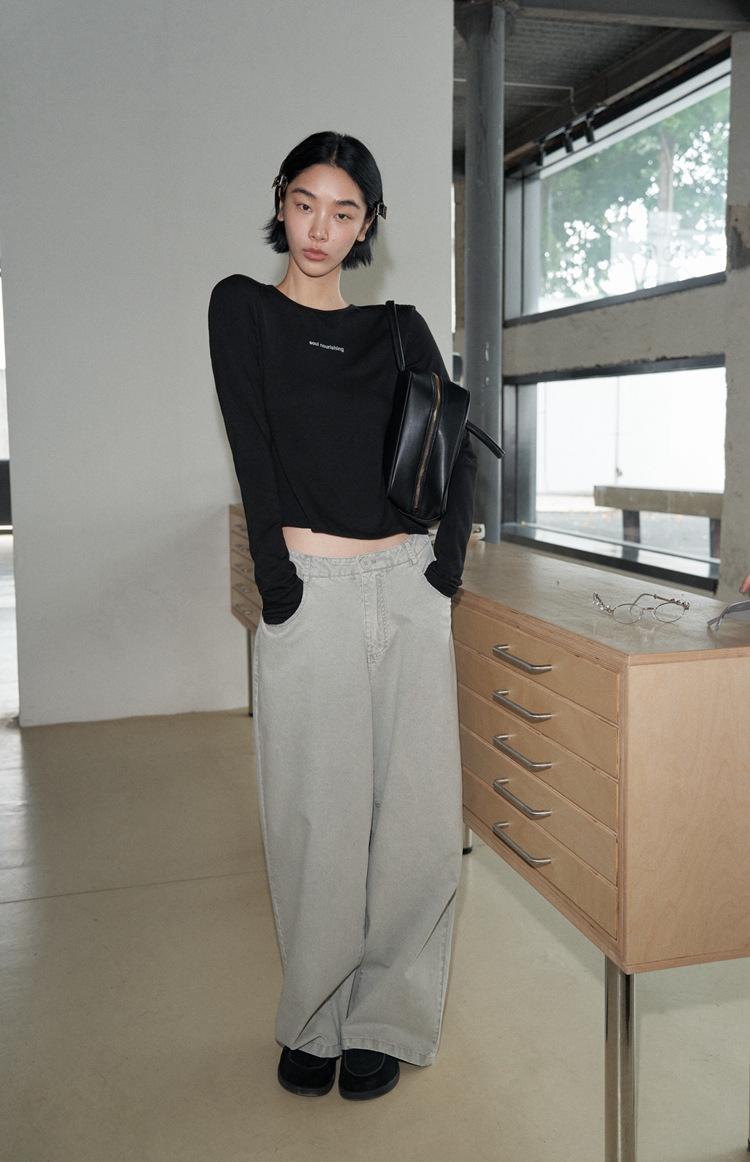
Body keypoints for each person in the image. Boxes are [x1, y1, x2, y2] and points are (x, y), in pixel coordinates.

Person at [207, 130, 477, 1102]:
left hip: (405, 587)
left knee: (415, 819)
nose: (320, 228)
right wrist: (278, 585)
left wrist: (443, 571)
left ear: (369, 226)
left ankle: (385, 1017)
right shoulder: (242, 309)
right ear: (281, 201)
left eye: (344, 211)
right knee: (315, 815)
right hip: (311, 592)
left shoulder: (399, 327)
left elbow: (456, 443)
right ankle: (315, 1016)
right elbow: (251, 447)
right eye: (306, 204)